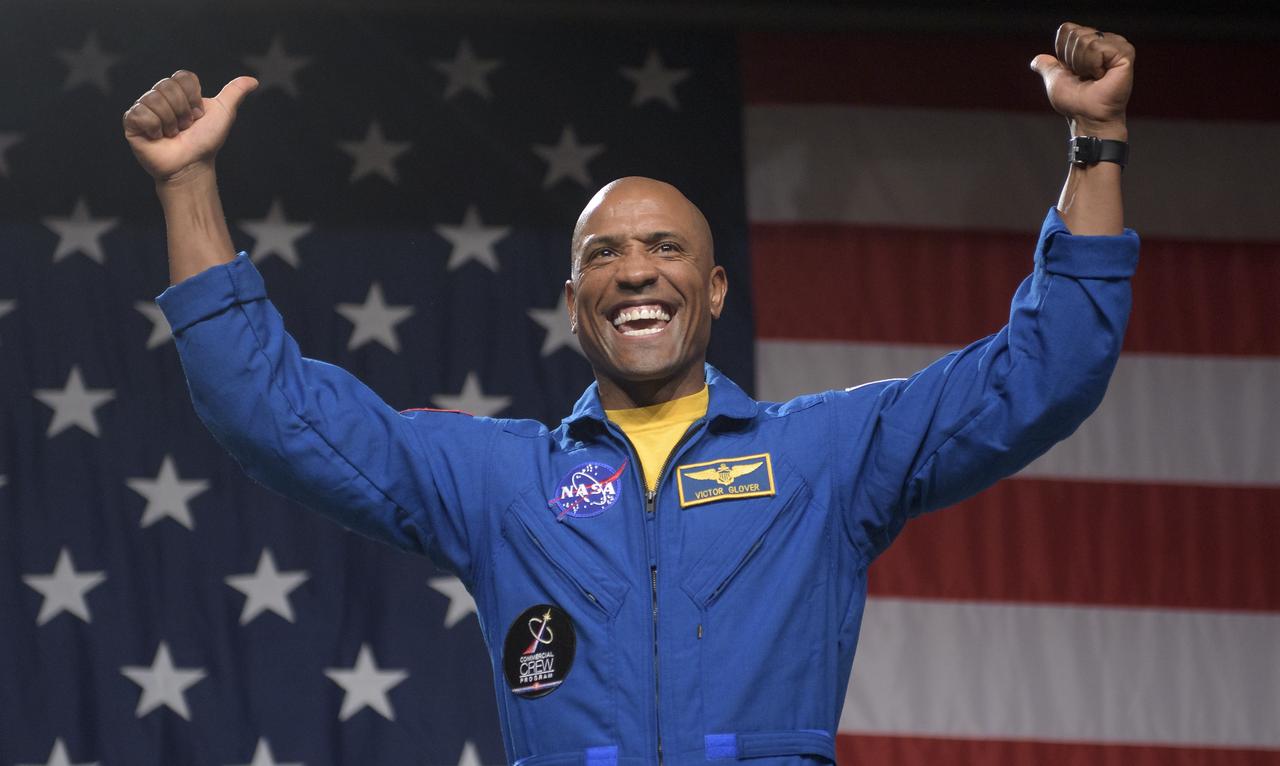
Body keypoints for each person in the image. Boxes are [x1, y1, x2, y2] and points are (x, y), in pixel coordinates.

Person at [124, 22, 1138, 766]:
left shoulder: (825, 458)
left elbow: (1041, 372)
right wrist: (185, 185)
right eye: (603, 254)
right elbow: (275, 412)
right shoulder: (499, 483)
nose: (636, 270)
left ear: (712, 286)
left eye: (666, 249)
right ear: (574, 301)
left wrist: (1093, 148)